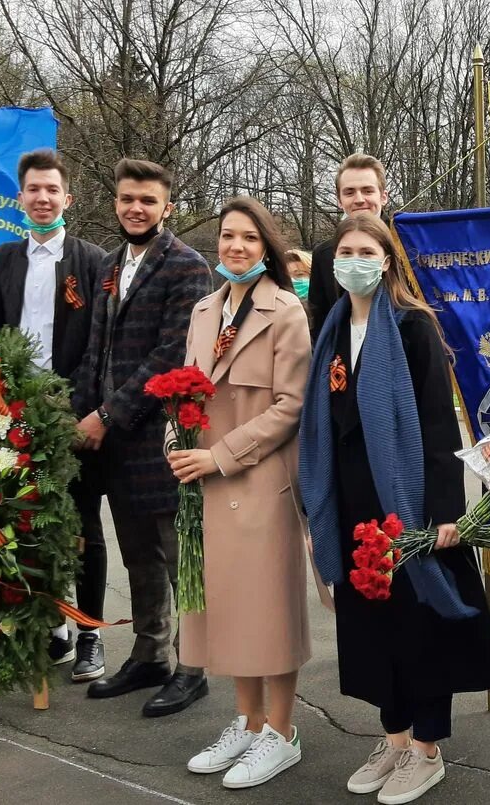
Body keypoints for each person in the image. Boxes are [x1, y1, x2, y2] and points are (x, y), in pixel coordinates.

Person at [299, 212, 490, 805]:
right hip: (351, 503)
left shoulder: (413, 327)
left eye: (367, 250)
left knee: (420, 628)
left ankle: (426, 750)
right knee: (372, 630)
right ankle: (392, 738)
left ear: (387, 260)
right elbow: (322, 426)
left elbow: (439, 426)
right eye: (345, 251)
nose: (354, 261)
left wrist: (443, 513)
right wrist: (319, 513)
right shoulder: (333, 329)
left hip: (406, 502)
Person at [174, 197, 313, 789]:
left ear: (267, 248)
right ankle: (248, 723)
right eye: (227, 236)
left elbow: (291, 405)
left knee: (268, 614)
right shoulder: (204, 309)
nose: (235, 246)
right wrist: (174, 442)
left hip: (258, 481)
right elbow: (182, 390)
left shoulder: (285, 312)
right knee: (226, 609)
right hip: (203, 481)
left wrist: (220, 454)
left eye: (248, 239)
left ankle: (282, 732)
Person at [72, 158, 211, 717]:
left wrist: (107, 413)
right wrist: (77, 415)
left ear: (167, 207)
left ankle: (193, 665)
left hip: (161, 437)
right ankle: (150, 653)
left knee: (179, 557)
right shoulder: (109, 264)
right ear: (115, 203)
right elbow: (96, 350)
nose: (137, 208)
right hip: (113, 444)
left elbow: (169, 354)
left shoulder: (187, 266)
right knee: (137, 556)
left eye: (148, 201)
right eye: (128, 198)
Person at [0, 149, 110, 682]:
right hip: (14, 417)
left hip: (73, 420)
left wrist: (83, 408)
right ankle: (53, 627)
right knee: (26, 525)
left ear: (67, 198)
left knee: (81, 528)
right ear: (20, 198)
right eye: (34, 190)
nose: (43, 198)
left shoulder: (92, 260)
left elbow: (101, 342)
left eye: (52, 190)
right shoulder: (2, 261)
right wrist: (1, 395)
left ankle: (91, 632)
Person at [308, 154, 387, 340]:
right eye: (349, 192)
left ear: (383, 196)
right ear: (339, 200)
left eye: (367, 191)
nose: (359, 199)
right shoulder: (324, 255)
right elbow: (319, 322)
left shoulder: (407, 247)